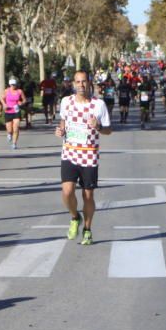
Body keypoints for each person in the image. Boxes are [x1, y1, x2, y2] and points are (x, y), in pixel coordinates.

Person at [56, 70, 112, 246]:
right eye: (78, 82)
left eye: (84, 82)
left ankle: (87, 230)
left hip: (89, 155)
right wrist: (60, 130)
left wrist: (98, 126)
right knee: (67, 191)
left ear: (89, 83)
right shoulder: (66, 102)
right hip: (69, 153)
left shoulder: (98, 105)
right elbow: (63, 122)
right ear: (73, 84)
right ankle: (75, 217)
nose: (81, 85)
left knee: (88, 195)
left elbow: (108, 130)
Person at [2, 77, 26, 150]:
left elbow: (24, 100)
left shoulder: (19, 91)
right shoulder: (6, 91)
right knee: (10, 130)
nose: (13, 86)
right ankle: (9, 134)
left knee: (16, 128)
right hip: (8, 111)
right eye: (12, 85)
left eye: (14, 84)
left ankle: (14, 143)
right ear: (9, 85)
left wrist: (21, 103)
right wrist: (4, 104)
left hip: (16, 111)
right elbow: (2, 98)